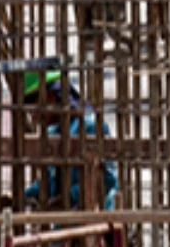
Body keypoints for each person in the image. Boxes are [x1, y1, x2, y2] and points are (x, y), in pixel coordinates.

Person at [19, 71, 119, 210]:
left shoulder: (89, 127)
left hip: (93, 218)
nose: (34, 118)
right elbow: (49, 182)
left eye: (34, 110)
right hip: (64, 221)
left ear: (51, 98)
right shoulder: (53, 133)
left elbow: (106, 181)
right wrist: (22, 196)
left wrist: (68, 198)